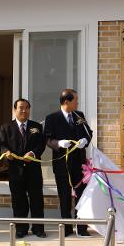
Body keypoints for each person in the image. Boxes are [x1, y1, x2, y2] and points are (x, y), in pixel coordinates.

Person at [44, 89, 93, 237]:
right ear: (66, 102)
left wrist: (85, 140)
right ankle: (66, 228)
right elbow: (47, 139)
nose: (77, 102)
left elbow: (88, 132)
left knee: (81, 195)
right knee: (64, 195)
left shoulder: (80, 115)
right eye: (75, 100)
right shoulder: (52, 118)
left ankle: (81, 227)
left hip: (79, 163)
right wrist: (59, 143)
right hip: (62, 164)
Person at [0, 99, 46, 239]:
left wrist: (32, 154)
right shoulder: (6, 127)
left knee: (36, 200)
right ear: (15, 110)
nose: (24, 110)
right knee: (18, 200)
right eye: (21, 108)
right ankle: (21, 229)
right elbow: (1, 145)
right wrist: (6, 152)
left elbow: (41, 145)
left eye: (27, 108)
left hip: (34, 171)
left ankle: (38, 228)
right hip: (15, 171)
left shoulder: (36, 126)